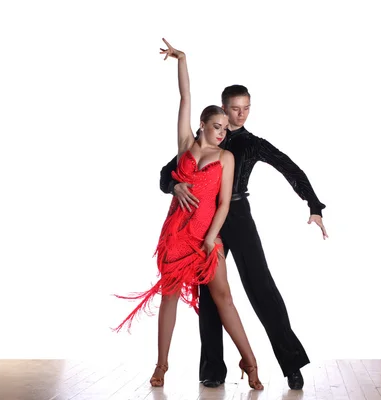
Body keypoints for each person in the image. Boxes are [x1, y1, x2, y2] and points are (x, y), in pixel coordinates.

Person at [114, 39, 264, 391]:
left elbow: (224, 203)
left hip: (206, 238)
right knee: (168, 296)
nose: (222, 132)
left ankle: (251, 362)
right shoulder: (185, 145)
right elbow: (185, 97)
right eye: (217, 126)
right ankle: (161, 366)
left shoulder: (225, 159)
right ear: (202, 124)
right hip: (177, 234)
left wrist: (211, 239)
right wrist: (183, 59)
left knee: (224, 298)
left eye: (225, 129)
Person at [159, 84, 328, 390]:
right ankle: (212, 369)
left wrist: (313, 204)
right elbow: (166, 174)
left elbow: (290, 167)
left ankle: (290, 364)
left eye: (246, 108)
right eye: (234, 108)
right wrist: (175, 187)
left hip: (237, 217)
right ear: (223, 109)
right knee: (210, 297)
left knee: (262, 288)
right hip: (202, 220)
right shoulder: (205, 137)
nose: (241, 115)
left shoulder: (253, 144)